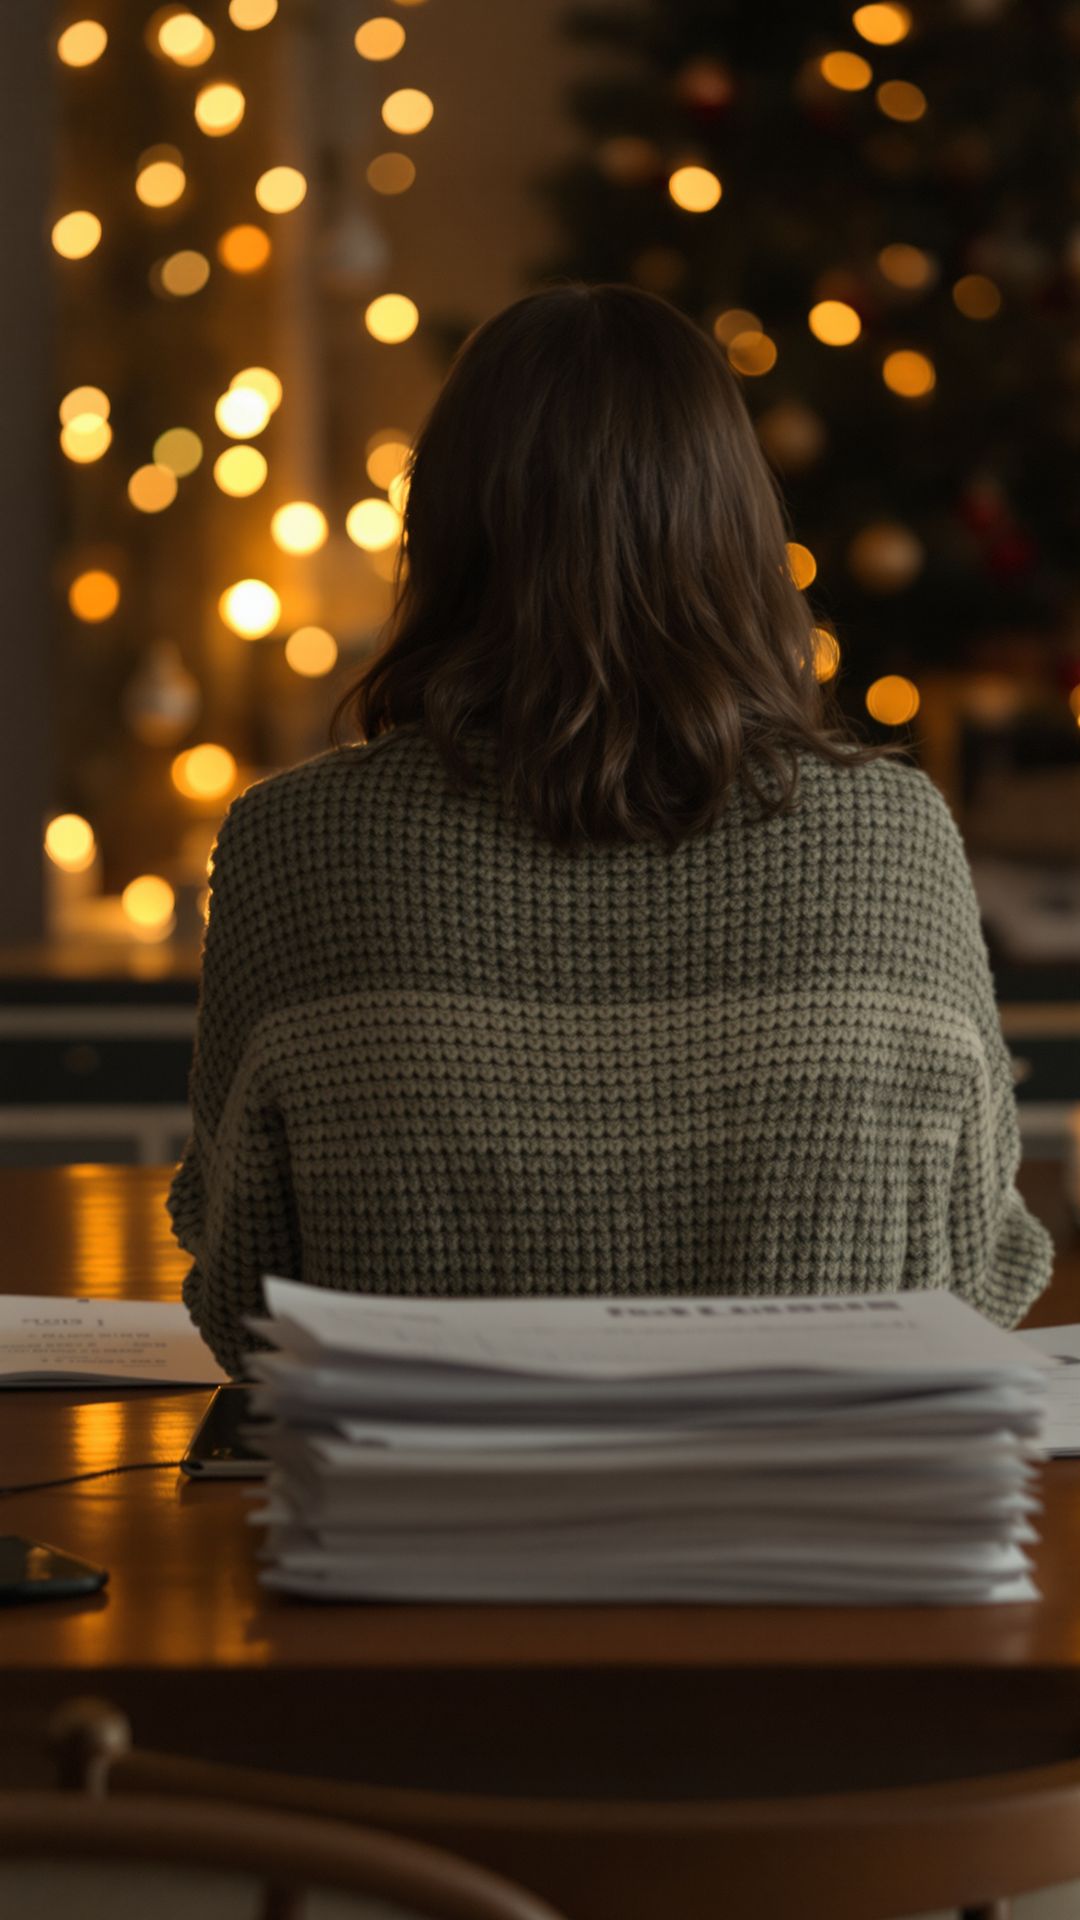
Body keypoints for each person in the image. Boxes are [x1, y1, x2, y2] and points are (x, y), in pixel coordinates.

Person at [167, 281, 1053, 1377]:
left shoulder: (290, 844)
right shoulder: (894, 834)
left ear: (441, 528)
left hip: (411, 1526)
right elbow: (979, 1274)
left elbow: (243, 1292)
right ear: (737, 529)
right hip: (822, 1526)